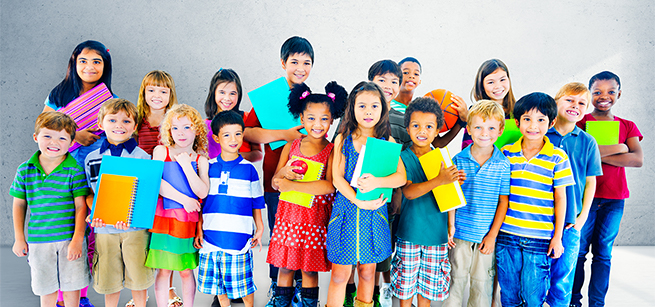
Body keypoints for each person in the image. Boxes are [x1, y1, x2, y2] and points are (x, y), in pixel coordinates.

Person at [243, 36, 314, 307]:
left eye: (306, 63)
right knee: (280, 238)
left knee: (301, 236)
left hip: (307, 181)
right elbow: (248, 131)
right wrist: (283, 134)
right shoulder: (269, 96)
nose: (300, 67)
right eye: (294, 61)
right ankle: (278, 286)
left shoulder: (310, 96)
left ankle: (298, 287)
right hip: (275, 181)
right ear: (283, 62)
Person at [266, 81, 347, 307]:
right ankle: (281, 302)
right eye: (311, 118)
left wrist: (293, 186)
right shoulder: (290, 147)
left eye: (324, 118)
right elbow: (275, 182)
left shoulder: (331, 150)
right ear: (301, 119)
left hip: (314, 220)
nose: (317, 124)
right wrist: (282, 174)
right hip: (288, 219)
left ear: (332, 120)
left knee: (310, 270)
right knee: (285, 266)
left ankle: (309, 303)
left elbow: (330, 186)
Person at [326, 81, 407, 307]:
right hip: (346, 213)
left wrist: (377, 181)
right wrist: (356, 201)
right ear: (352, 108)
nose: (368, 111)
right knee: (340, 275)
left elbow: (401, 177)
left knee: (368, 273)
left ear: (383, 109)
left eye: (374, 106)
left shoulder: (387, 142)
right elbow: (337, 179)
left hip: (374, 217)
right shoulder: (343, 138)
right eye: (362, 106)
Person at [496, 92, 575, 307]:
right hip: (507, 236)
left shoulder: (558, 157)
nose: (534, 126)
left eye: (541, 120)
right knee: (509, 296)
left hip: (539, 240)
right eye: (527, 119)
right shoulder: (506, 154)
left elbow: (561, 200)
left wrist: (557, 237)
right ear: (518, 121)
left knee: (534, 297)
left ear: (552, 123)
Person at [571, 71, 643, 307]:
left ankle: (597, 303)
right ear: (590, 95)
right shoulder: (579, 124)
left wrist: (599, 154)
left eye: (611, 92)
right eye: (597, 92)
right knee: (578, 253)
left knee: (603, 255)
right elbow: (578, 157)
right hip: (584, 199)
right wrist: (620, 148)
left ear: (619, 94)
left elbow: (636, 160)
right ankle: (573, 301)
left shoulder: (627, 125)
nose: (604, 97)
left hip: (614, 199)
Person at [11, 112, 91, 307]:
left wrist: (77, 239)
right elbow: (19, 204)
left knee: (72, 286)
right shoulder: (25, 170)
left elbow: (81, 206)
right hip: (39, 240)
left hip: (69, 239)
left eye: (62, 138)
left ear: (71, 143)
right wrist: (19, 238)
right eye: (47, 136)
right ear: (36, 137)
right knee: (45, 287)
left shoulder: (74, 170)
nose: (54, 142)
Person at [393, 97, 465, 307]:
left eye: (429, 126)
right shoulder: (403, 157)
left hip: (437, 234)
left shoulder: (442, 157)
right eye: (416, 125)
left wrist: (451, 225)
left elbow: (451, 195)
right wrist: (439, 180)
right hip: (409, 233)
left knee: (427, 292)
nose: (422, 131)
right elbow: (409, 192)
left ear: (437, 131)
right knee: (405, 290)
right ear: (407, 128)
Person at [84, 98, 154, 307]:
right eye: (112, 120)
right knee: (109, 281)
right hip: (104, 228)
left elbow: (146, 195)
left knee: (139, 279)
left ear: (134, 126)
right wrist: (93, 212)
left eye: (126, 121)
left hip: (135, 229)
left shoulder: (143, 157)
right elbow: (90, 193)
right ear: (100, 124)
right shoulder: (91, 158)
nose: (119, 126)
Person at [443, 100, 511, 307]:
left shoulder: (503, 163)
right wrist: (450, 227)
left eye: (491, 128)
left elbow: (503, 202)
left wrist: (492, 236)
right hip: (460, 235)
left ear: (500, 130)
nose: (484, 133)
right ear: (469, 130)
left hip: (485, 237)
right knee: (455, 280)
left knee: (482, 284)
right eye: (478, 127)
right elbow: (452, 197)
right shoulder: (459, 159)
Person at [542, 82, 603, 307]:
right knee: (536, 276)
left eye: (581, 103)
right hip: (540, 217)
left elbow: (590, 182)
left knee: (563, 278)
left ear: (586, 110)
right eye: (569, 100)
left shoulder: (588, 141)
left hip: (570, 221)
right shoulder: (540, 134)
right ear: (556, 102)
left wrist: (582, 217)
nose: (575, 106)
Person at [196, 110, 265, 307]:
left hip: (239, 238)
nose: (233, 139)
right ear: (216, 138)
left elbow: (256, 201)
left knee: (243, 285)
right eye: (226, 134)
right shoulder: (207, 167)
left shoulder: (249, 169)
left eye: (238, 133)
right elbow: (201, 203)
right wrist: (199, 228)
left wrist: (259, 228)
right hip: (211, 238)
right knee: (219, 287)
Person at [145, 104, 210, 307]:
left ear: (197, 129)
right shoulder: (160, 151)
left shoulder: (201, 159)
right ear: (168, 130)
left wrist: (185, 166)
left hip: (186, 222)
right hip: (163, 220)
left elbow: (202, 192)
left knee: (185, 269)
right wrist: (184, 199)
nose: (180, 133)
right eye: (175, 128)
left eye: (187, 127)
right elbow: (157, 183)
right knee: (163, 269)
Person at [43, 40, 114, 167]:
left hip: (97, 165)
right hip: (62, 165)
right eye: (83, 61)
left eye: (96, 62)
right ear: (74, 64)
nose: (90, 67)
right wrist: (75, 135)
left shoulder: (112, 101)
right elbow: (43, 124)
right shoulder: (59, 93)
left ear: (105, 66)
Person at [203, 68, 261, 162]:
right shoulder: (204, 125)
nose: (227, 98)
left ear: (239, 95)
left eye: (232, 93)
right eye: (222, 92)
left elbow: (258, 154)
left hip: (241, 173)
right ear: (213, 93)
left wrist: (233, 156)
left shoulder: (247, 118)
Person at [462, 59, 517, 150]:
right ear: (482, 86)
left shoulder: (519, 111)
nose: (498, 86)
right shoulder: (476, 113)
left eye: (502, 79)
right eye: (491, 82)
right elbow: (467, 150)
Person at [135, 70, 178, 156]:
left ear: (170, 95)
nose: (157, 96)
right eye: (151, 90)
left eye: (163, 92)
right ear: (144, 93)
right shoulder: (136, 119)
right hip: (142, 167)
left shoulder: (176, 121)